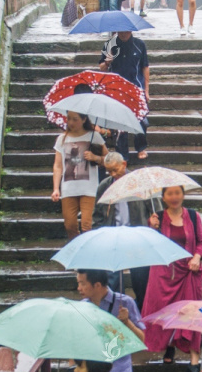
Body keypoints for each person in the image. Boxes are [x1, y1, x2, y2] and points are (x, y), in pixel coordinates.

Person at [141, 185, 202, 372]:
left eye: (178, 193)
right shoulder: (157, 218)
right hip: (163, 274)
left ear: (183, 195)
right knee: (163, 311)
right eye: (170, 193)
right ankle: (168, 345)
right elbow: (149, 246)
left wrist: (197, 257)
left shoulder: (193, 216)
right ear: (163, 197)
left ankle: (194, 361)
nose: (174, 197)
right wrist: (150, 228)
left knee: (191, 313)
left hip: (188, 272)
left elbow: (201, 242)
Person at [92, 153, 152, 309]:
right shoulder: (105, 186)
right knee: (113, 279)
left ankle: (140, 311)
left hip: (137, 234)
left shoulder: (139, 183)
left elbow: (153, 209)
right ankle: (117, 310)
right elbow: (97, 215)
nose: (112, 174)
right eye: (109, 171)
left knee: (141, 277)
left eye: (115, 169)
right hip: (114, 235)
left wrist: (154, 220)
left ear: (124, 164)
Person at [76, 269, 145, 372]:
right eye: (78, 283)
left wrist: (127, 322)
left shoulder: (125, 303)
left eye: (82, 283)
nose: (79, 288)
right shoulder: (82, 308)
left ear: (97, 285)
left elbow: (141, 341)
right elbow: (75, 343)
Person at [52, 111, 108, 239]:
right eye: (69, 119)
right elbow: (58, 165)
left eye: (75, 119)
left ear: (84, 120)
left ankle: (88, 253)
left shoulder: (94, 137)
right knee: (70, 225)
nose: (71, 122)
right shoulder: (62, 138)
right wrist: (56, 188)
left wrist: (96, 157)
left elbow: (109, 160)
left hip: (89, 188)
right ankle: (76, 249)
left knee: (87, 225)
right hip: (68, 188)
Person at [97, 30, 150, 161]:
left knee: (141, 120)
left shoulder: (139, 44)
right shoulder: (110, 44)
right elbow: (101, 67)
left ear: (131, 30)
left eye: (126, 31)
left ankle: (141, 147)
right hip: (116, 89)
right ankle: (122, 154)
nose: (123, 34)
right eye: (121, 32)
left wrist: (147, 90)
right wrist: (107, 62)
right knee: (119, 123)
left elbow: (145, 67)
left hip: (136, 87)